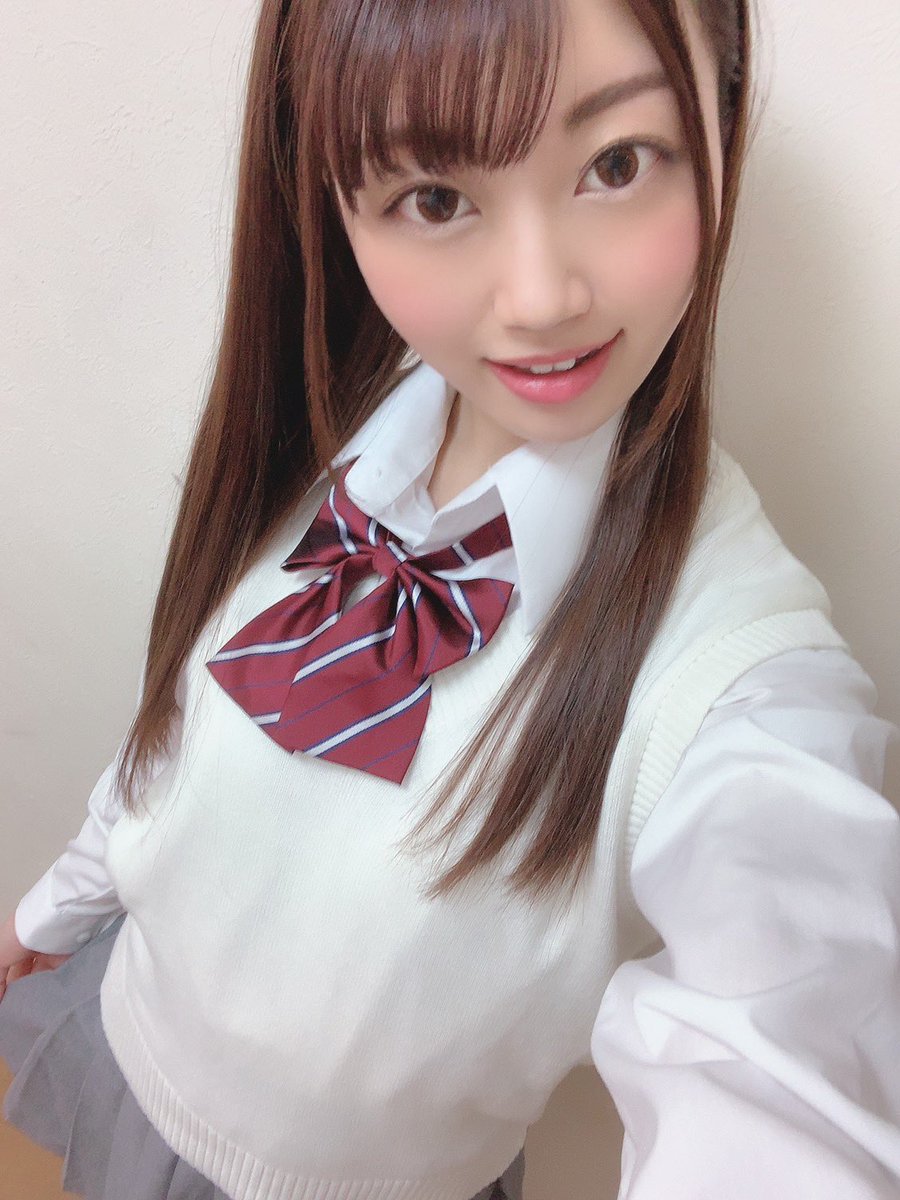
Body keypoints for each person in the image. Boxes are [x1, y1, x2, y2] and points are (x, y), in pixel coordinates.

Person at [1, 0, 899, 1198]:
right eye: (434, 197)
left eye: (617, 163)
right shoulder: (325, 433)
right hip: (128, 1034)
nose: (538, 298)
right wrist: (53, 909)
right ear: (332, 200)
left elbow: (788, 1074)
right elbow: (174, 748)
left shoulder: (740, 679)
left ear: (721, 122)